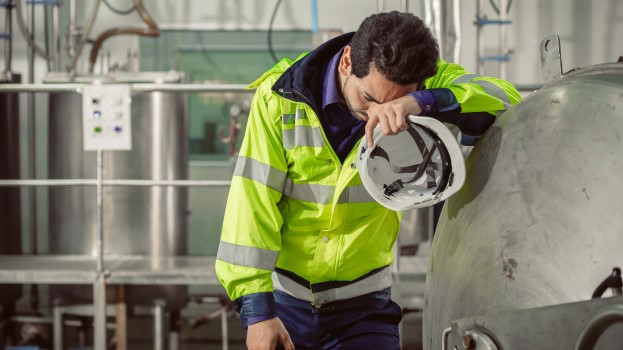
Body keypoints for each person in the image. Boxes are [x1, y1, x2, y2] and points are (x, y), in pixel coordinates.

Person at [215, 11, 521, 350]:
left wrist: (422, 101)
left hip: (364, 308)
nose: (377, 118)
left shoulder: (424, 86)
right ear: (347, 61)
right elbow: (252, 206)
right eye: (369, 101)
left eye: (393, 105)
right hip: (286, 304)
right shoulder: (279, 101)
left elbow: (507, 99)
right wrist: (257, 313)